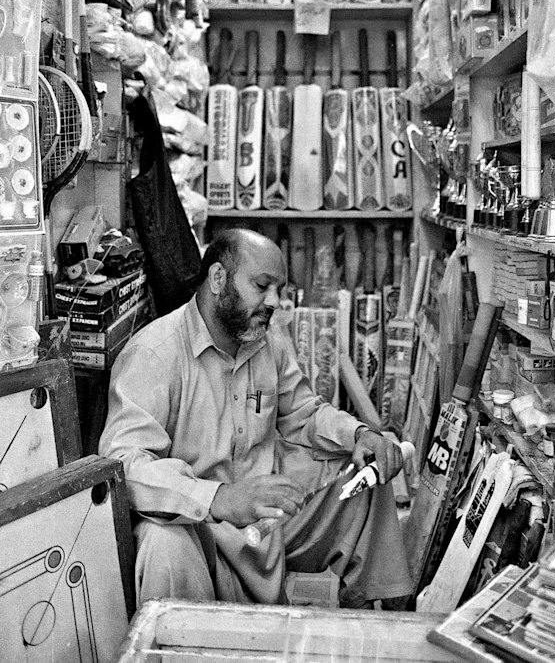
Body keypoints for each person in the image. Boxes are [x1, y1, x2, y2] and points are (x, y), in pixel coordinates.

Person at [98, 228, 412, 608]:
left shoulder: (266, 340)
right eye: (262, 286)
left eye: (278, 289)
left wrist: (360, 433)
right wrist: (219, 498)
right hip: (200, 529)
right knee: (162, 542)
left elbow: (304, 412)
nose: (274, 301)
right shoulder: (155, 353)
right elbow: (123, 464)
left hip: (266, 522)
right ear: (218, 279)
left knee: (365, 472)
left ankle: (387, 624)